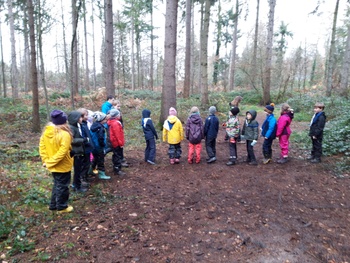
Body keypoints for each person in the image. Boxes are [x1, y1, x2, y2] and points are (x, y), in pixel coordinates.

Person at [39, 109, 74, 213]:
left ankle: (53, 205)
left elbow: (42, 147)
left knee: (57, 184)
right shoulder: (65, 134)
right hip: (62, 165)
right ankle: (62, 207)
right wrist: (49, 162)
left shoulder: (47, 131)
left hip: (52, 164)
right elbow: (62, 152)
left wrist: (46, 161)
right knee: (62, 186)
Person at [68, 111, 88, 192]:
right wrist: (82, 140)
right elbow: (71, 140)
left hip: (79, 152)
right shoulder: (72, 128)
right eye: (80, 117)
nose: (81, 118)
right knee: (77, 170)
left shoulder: (77, 126)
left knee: (78, 170)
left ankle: (76, 185)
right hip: (75, 153)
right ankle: (77, 187)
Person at [90, 111, 110, 180]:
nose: (106, 120)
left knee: (95, 158)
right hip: (99, 147)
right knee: (101, 160)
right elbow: (101, 138)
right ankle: (101, 174)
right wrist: (103, 145)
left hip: (94, 146)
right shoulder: (100, 128)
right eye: (105, 119)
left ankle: (90, 170)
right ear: (101, 120)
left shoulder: (93, 125)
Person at [77, 108, 95, 182]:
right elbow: (83, 136)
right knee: (84, 164)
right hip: (84, 148)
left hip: (88, 147)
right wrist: (87, 142)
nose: (87, 116)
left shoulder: (85, 123)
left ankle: (86, 176)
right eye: (86, 115)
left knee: (88, 163)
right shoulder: (80, 126)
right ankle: (82, 178)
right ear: (81, 117)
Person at [107, 109, 126, 176]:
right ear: (116, 116)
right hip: (116, 143)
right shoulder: (115, 123)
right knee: (117, 155)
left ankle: (117, 167)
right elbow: (118, 135)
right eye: (119, 114)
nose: (120, 115)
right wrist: (121, 144)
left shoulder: (113, 122)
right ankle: (117, 169)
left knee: (116, 155)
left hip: (115, 142)